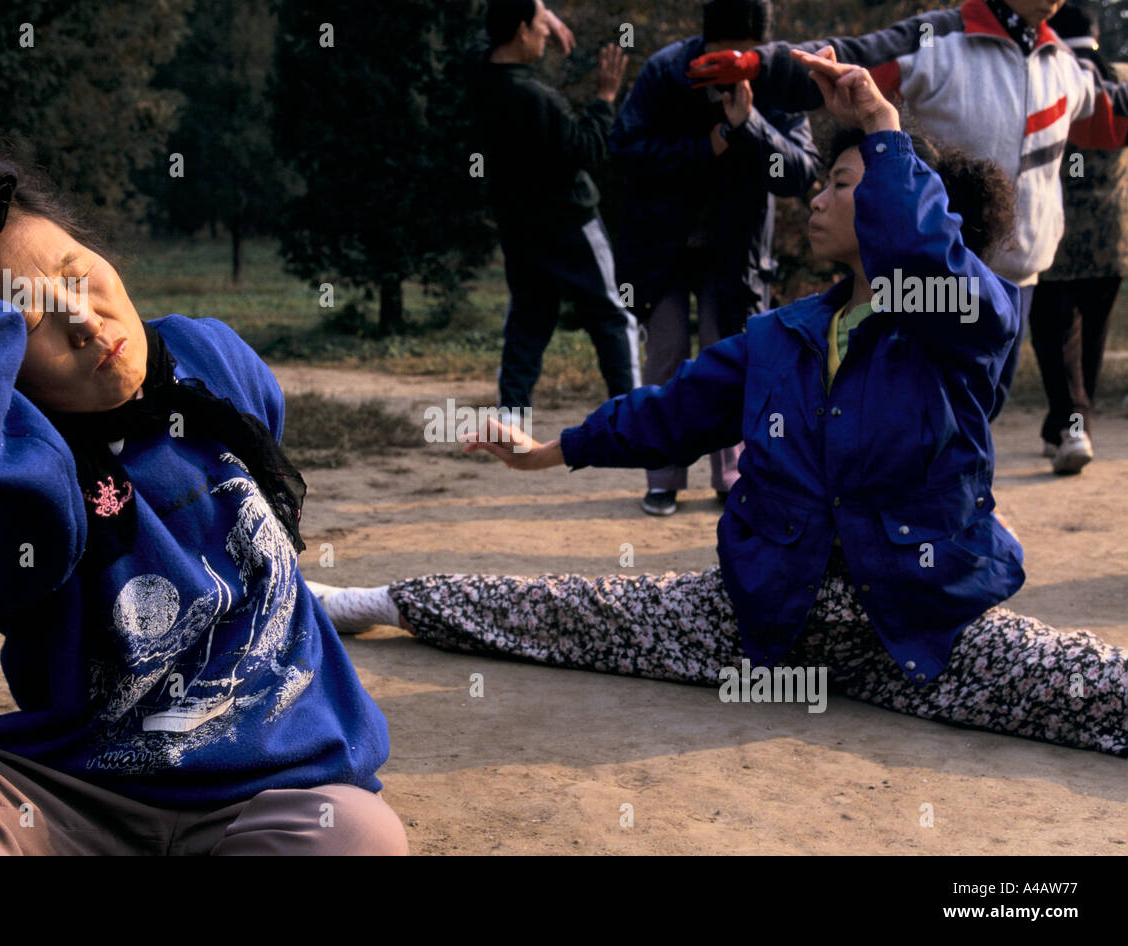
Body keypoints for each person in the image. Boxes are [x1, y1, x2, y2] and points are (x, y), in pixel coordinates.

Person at [308, 51, 1127, 759]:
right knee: (560, 611)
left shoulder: (965, 320)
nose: (814, 198)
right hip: (768, 622)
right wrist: (546, 450)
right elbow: (672, 412)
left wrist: (882, 125)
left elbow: (924, 252)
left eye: (842, 185)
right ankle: (363, 601)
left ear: (899, 204)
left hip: (917, 627)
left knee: (1096, 689)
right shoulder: (782, 335)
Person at [0, 141, 408, 855]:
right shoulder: (25, 478)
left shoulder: (214, 360)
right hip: (78, 804)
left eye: (76, 273)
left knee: (356, 834)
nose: (82, 321)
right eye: (30, 322)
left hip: (272, 801)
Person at [685, 0, 1128, 437]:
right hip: (930, 269)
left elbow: (1114, 119)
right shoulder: (940, 38)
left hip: (1018, 277)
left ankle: (959, 509)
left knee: (974, 418)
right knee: (914, 417)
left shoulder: (1064, 64)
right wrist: (762, 65)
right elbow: (846, 61)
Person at [608, 0, 821, 515]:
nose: (730, 68)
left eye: (744, 59)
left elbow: (800, 173)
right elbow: (623, 150)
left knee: (731, 358)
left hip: (738, 250)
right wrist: (707, 147)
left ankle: (732, 477)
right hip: (663, 249)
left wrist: (748, 126)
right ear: (702, 42)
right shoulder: (665, 72)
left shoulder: (776, 78)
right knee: (667, 354)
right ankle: (662, 477)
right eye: (720, 56)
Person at [473, 0, 642, 416]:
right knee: (613, 319)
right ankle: (633, 420)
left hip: (519, 228)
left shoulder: (481, 79)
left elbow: (492, 33)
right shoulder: (536, 98)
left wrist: (539, 12)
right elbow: (586, 150)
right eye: (539, 24)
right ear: (520, 31)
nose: (547, 32)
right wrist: (604, 98)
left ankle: (511, 425)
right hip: (570, 223)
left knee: (527, 325)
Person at [1031, 1, 1124, 473]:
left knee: (1057, 339)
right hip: (1111, 244)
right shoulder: (1119, 83)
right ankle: (1062, 426)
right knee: (1089, 344)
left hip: (1054, 243)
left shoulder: (1050, 82)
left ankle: (1073, 428)